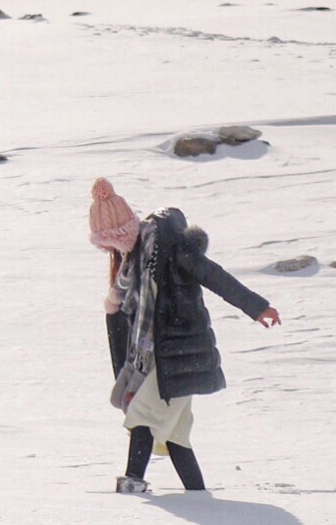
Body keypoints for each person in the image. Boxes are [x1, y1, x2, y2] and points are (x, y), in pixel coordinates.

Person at [88, 179, 280, 495]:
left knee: (142, 417)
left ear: (122, 233)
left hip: (180, 356)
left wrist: (256, 307)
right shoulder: (135, 265)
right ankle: (198, 497)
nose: (112, 251)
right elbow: (126, 324)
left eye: (111, 242)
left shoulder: (170, 251)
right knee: (176, 434)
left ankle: (132, 484)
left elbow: (213, 275)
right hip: (162, 361)